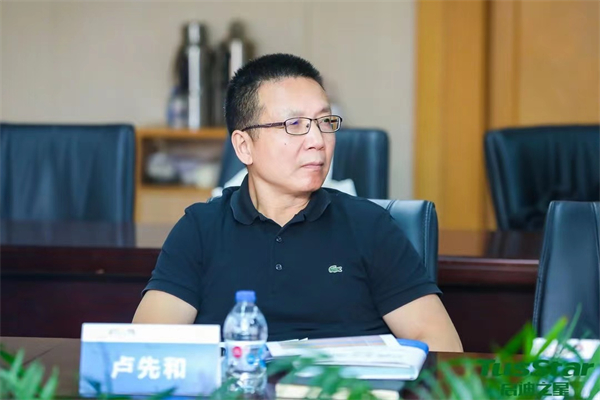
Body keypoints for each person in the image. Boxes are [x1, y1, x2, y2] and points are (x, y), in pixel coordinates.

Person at [133, 53, 463, 352]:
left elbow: (440, 344)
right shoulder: (200, 230)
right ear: (244, 146)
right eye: (294, 125)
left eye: (325, 122)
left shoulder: (369, 226)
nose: (317, 141)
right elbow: (147, 347)